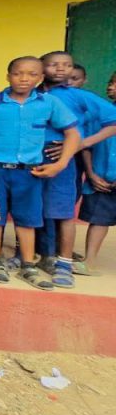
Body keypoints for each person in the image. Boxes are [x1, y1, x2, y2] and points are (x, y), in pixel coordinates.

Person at [0, 57, 79, 290]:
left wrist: (60, 163)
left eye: (31, 74)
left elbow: (73, 134)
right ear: (7, 76)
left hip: (29, 171)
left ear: (40, 77)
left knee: (28, 218)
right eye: (18, 73)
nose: (24, 79)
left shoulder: (49, 103)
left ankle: (28, 265)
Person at [34, 51, 116, 286]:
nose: (60, 69)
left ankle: (64, 262)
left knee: (62, 211)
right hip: (29, 157)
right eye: (53, 64)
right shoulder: (29, 94)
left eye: (66, 65)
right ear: (41, 68)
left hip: (63, 158)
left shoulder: (78, 96)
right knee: (32, 207)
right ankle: (33, 256)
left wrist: (80, 144)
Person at [81, 70, 116, 269]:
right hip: (102, 178)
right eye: (110, 82)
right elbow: (86, 146)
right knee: (99, 219)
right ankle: (90, 260)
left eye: (115, 84)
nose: (110, 87)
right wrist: (91, 174)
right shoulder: (100, 113)